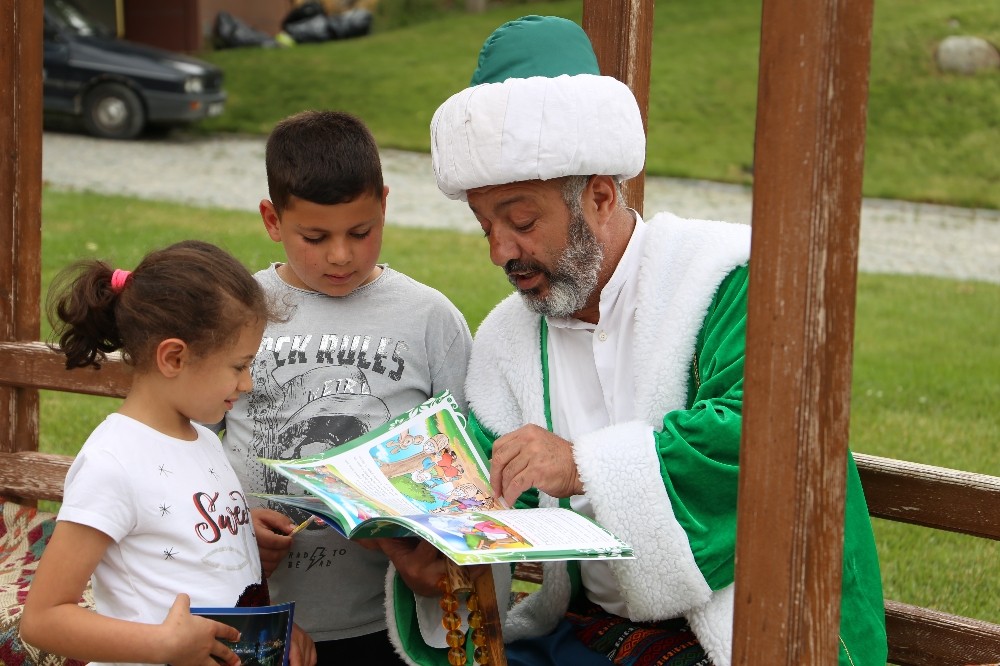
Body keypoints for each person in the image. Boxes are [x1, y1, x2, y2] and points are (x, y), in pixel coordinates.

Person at [381, 15, 888, 666]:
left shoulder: (728, 282)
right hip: (591, 636)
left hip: (746, 635)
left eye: (522, 220)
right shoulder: (509, 337)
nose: (501, 252)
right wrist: (437, 550)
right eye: (486, 227)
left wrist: (581, 465)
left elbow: (759, 439)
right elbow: (484, 479)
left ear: (597, 196)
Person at [220, 109, 474, 664]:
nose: (341, 254)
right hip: (255, 614)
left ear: (384, 203)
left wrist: (425, 553)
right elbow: (185, 443)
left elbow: (464, 468)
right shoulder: (239, 312)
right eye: (315, 237)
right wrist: (233, 531)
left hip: (388, 622)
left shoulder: (430, 320)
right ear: (271, 219)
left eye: (361, 232)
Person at [19, 240, 316, 666]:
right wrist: (163, 645)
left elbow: (179, 541)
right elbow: (43, 619)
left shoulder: (204, 439)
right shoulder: (113, 463)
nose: (248, 383)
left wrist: (240, 534)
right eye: (238, 366)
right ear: (174, 357)